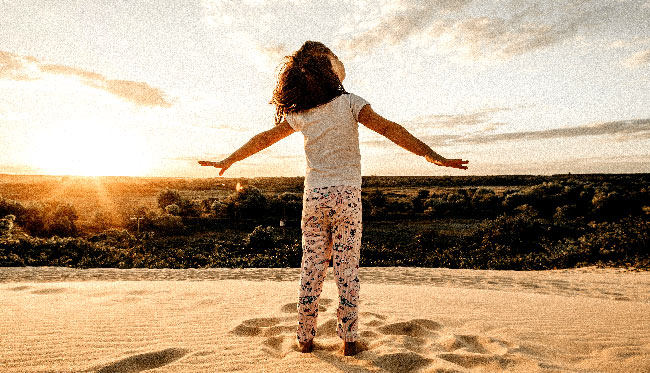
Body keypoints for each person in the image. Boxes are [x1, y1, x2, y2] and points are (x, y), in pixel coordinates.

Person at [199, 41, 468, 356]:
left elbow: (264, 138)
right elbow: (390, 129)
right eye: (336, 58)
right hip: (347, 198)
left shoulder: (300, 113)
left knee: (311, 268)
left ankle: (305, 340)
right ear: (328, 69)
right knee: (347, 270)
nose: (341, 62)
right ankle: (350, 342)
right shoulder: (351, 103)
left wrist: (230, 159)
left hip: (314, 197)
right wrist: (431, 156)